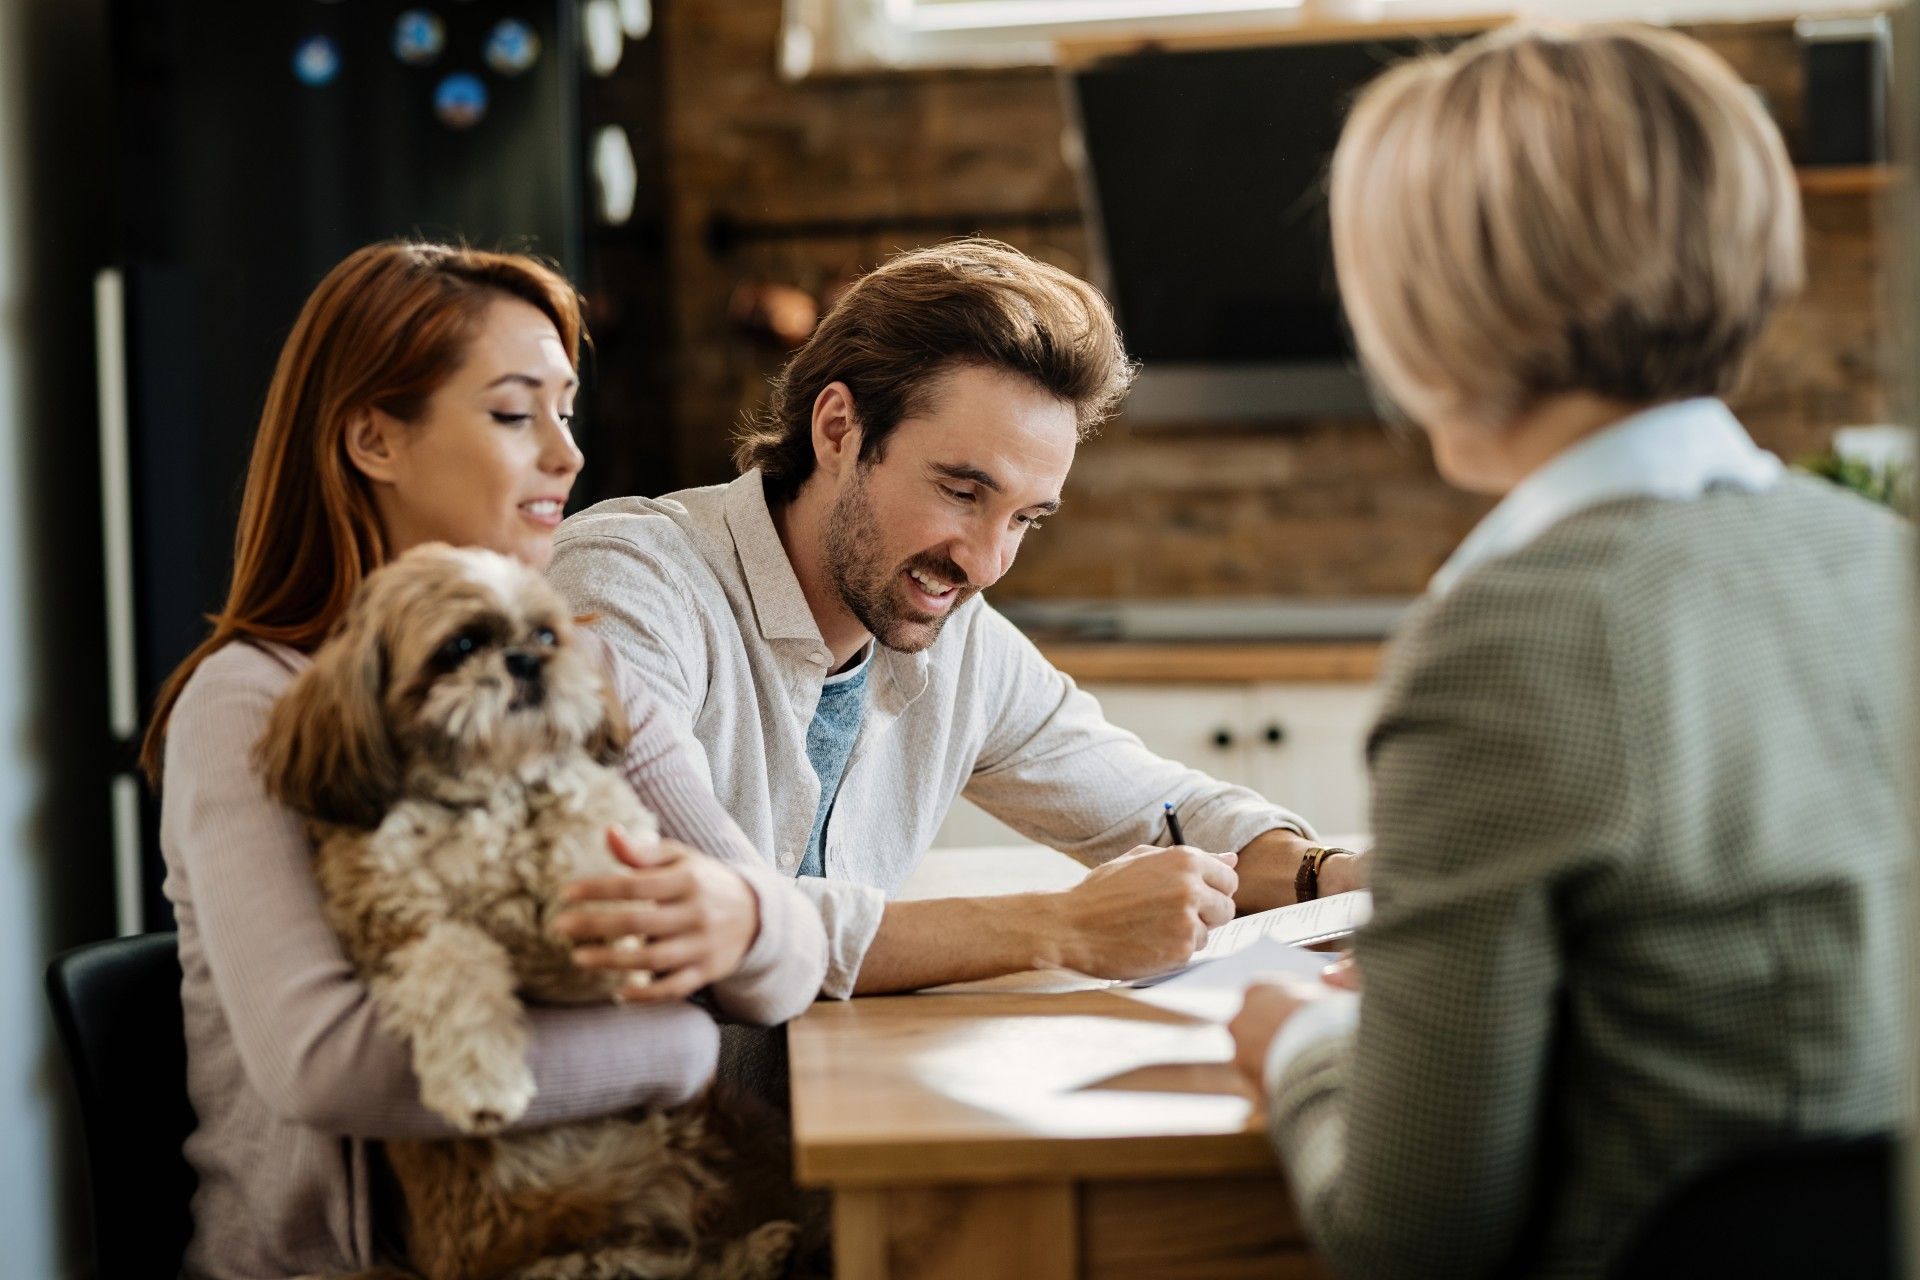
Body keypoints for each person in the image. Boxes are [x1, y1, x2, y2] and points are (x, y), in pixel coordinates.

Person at [1226, 24, 1913, 1279]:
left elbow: (1413, 1234)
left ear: (1427, 305)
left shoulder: (1507, 640)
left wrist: (1296, 1047)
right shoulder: (1879, 557)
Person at [141, 241, 827, 1279]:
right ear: (375, 437)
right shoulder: (254, 696)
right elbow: (329, 1064)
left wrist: (743, 915)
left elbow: (787, 956)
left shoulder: (572, 658)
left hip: (624, 1225)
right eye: (516, 413)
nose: (568, 454)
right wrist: (679, 1048)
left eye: (566, 409)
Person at [548, 238, 1363, 1001]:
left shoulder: (952, 637)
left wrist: (1327, 877)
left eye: (1025, 519)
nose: (985, 563)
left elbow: (1155, 808)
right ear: (838, 430)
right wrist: (1059, 927)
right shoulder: (631, 582)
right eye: (963, 492)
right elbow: (683, 917)